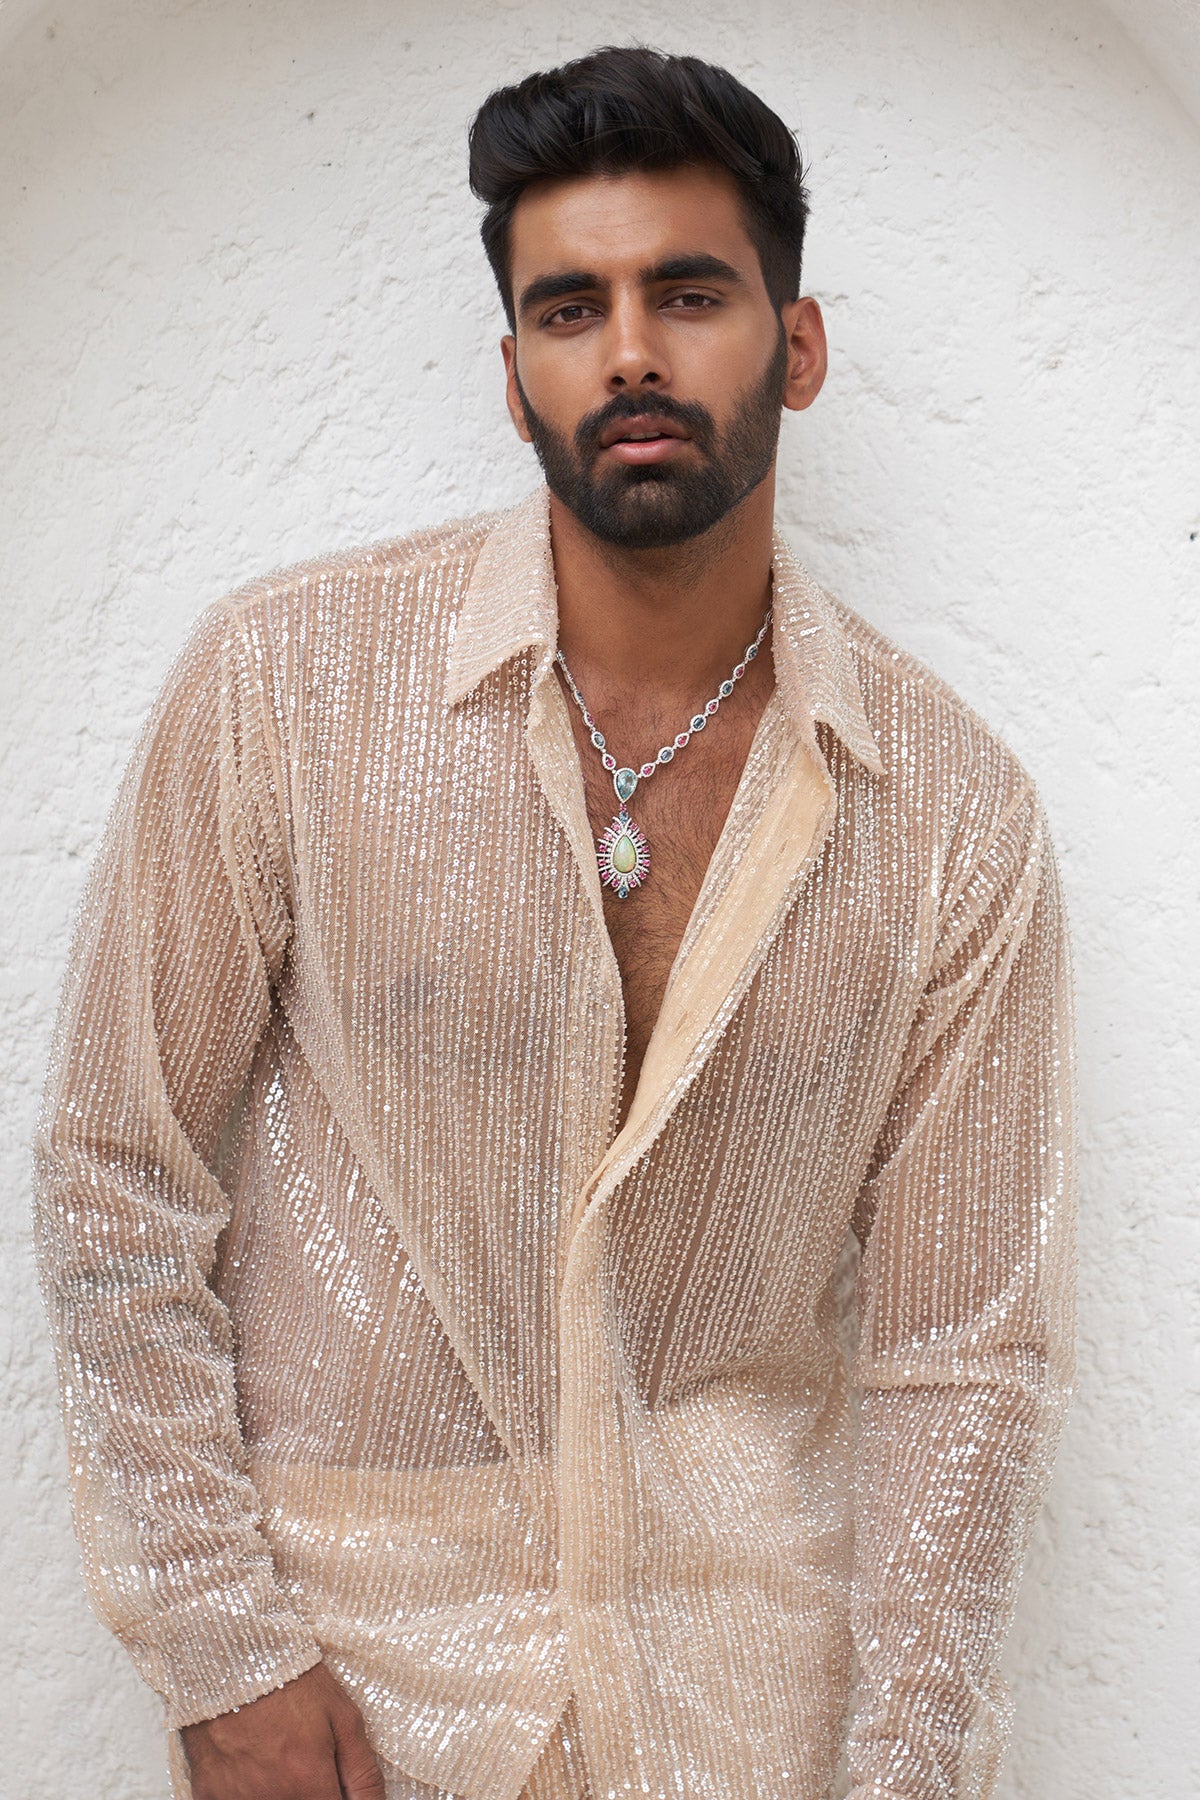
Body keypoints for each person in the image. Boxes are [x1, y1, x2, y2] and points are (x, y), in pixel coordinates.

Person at [31, 44, 1077, 1800]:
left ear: (798, 348)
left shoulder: (953, 814)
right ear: (514, 377)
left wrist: (907, 1774)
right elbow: (115, 1171)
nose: (632, 353)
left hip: (742, 1707)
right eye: (570, 310)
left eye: (690, 294)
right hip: (359, 1690)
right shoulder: (289, 686)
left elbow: (962, 1357)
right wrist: (224, 1656)